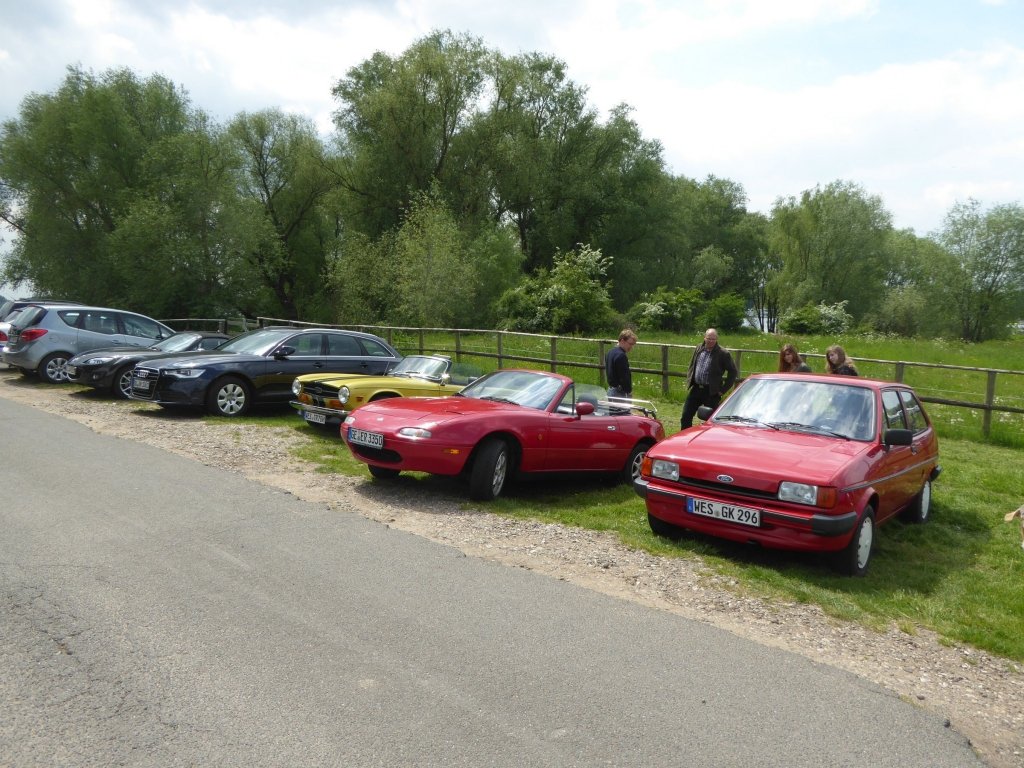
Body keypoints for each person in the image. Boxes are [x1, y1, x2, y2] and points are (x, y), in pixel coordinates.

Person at [680, 328, 737, 429]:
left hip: (712, 392)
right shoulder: (699, 348)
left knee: (711, 421)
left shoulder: (723, 353)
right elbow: (692, 364)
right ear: (704, 338)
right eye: (709, 338)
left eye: (713, 339)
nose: (711, 341)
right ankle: (686, 437)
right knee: (686, 416)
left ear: (717, 339)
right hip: (696, 388)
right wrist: (690, 379)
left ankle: (710, 438)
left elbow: (733, 372)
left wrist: (722, 390)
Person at [605, 329, 637, 399]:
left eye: (633, 345)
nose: (631, 347)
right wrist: (628, 391)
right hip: (619, 393)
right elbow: (623, 376)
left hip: (610, 390)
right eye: (630, 344)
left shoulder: (610, 352)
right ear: (622, 341)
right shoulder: (621, 355)